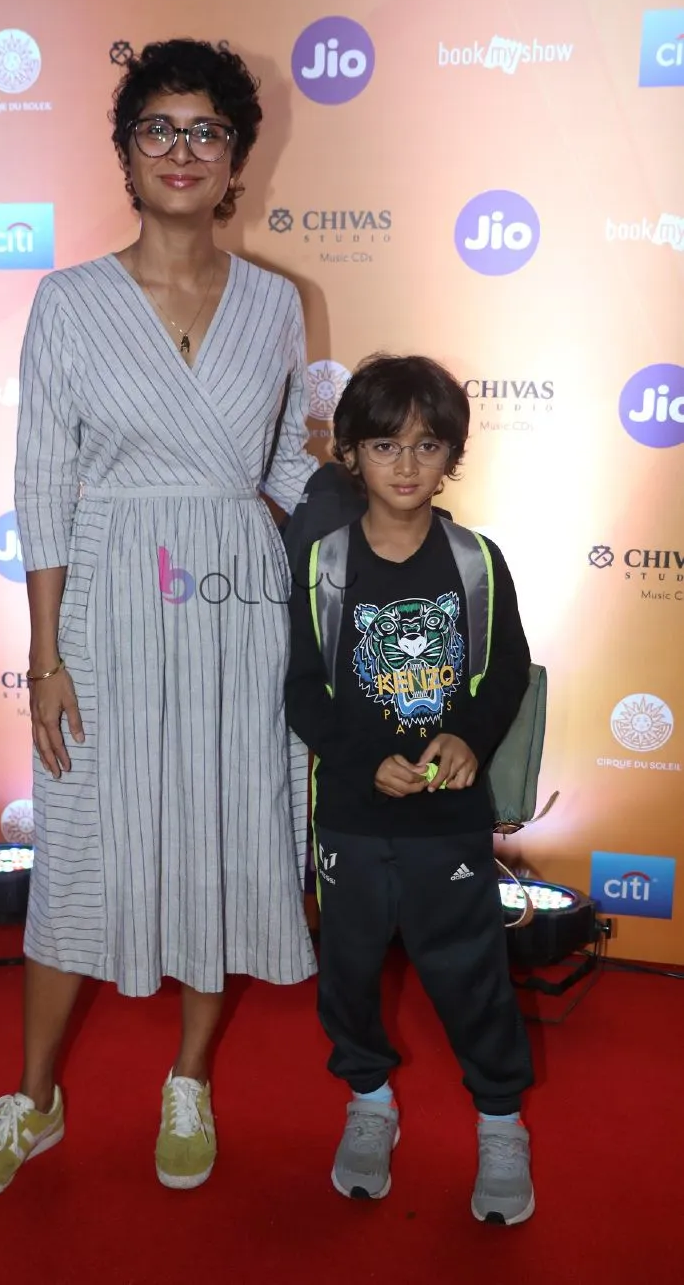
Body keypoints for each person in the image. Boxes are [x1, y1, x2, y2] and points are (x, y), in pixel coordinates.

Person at [0, 39, 318, 1205]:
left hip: (235, 605)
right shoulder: (65, 302)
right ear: (121, 153)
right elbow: (39, 486)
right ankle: (35, 1099)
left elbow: (294, 481)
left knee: (226, 834)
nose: (181, 151)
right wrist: (44, 655)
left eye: (205, 130)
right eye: (157, 128)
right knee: (81, 852)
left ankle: (190, 1078)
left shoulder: (278, 305)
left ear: (235, 159)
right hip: (111, 600)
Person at [285, 354, 536, 1225]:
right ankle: (369, 1104)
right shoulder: (321, 563)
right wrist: (360, 762)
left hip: (448, 824)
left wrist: (466, 735)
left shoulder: (476, 561)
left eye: (427, 446)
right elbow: (301, 687)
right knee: (348, 972)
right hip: (351, 815)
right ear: (350, 450)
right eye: (385, 444)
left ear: (452, 456)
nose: (405, 465)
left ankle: (501, 1120)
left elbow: (506, 675)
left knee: (470, 975)